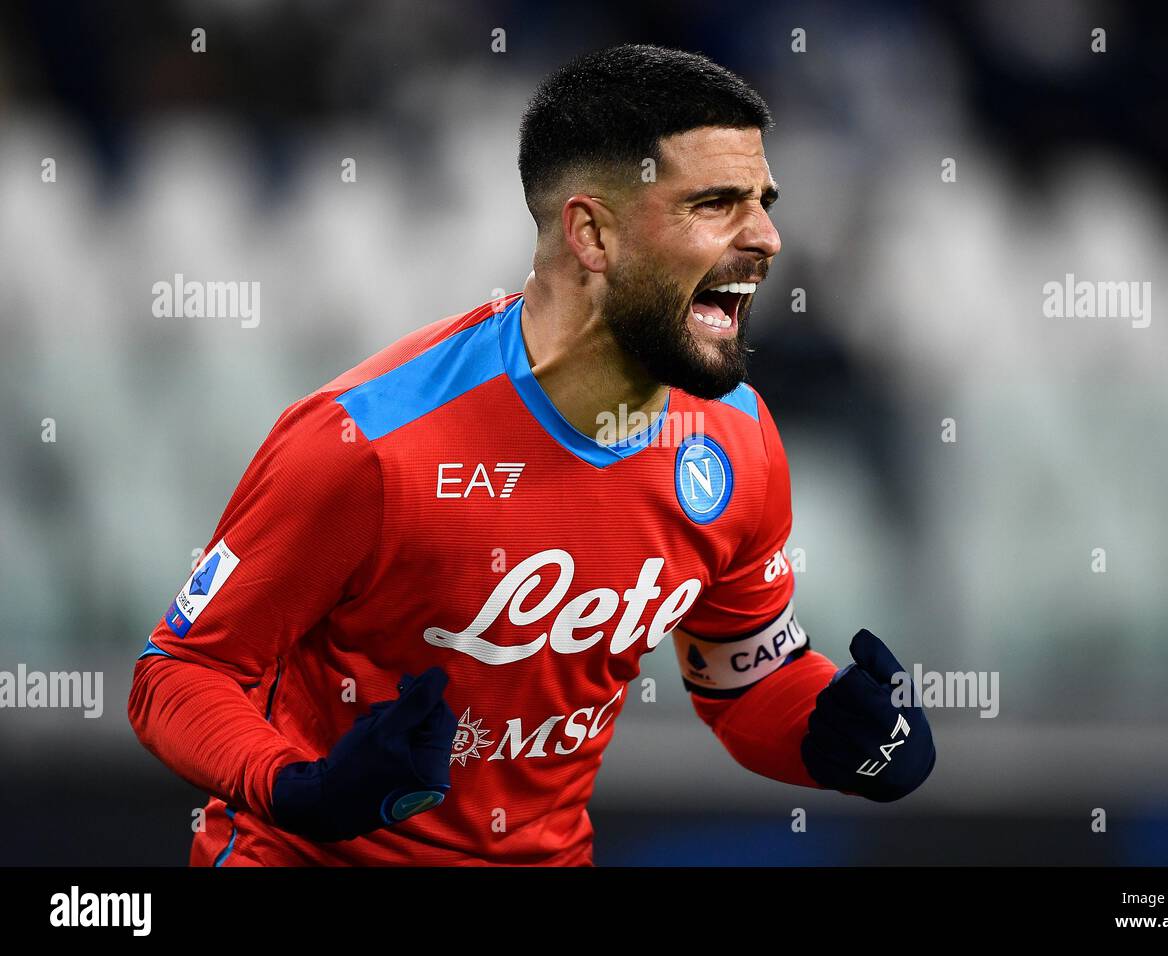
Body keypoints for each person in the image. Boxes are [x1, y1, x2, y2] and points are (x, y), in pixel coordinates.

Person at [127, 43, 935, 867]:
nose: (767, 238)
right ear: (591, 233)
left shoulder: (736, 438)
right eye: (716, 204)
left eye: (763, 202)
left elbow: (744, 679)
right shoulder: (364, 443)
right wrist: (300, 787)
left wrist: (840, 734)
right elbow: (179, 674)